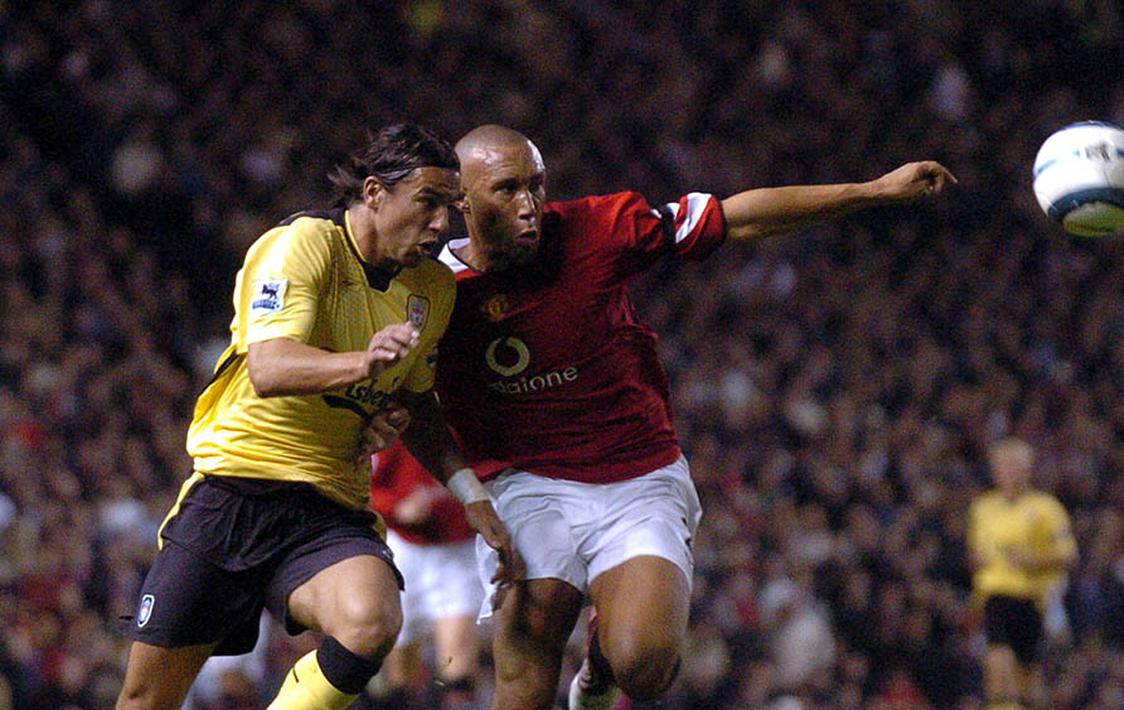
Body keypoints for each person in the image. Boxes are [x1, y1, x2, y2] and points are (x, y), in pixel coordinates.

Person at [403, 124, 955, 710]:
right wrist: (469, 494)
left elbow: (736, 216)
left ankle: (603, 664)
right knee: (527, 662)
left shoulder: (598, 228)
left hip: (636, 475)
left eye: (536, 186)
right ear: (460, 200)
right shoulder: (429, 289)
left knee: (645, 666)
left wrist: (873, 190)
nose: (529, 206)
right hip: (524, 482)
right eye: (507, 190)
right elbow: (409, 404)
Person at [115, 123, 518, 710]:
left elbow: (419, 402)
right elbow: (270, 368)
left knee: (372, 620)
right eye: (428, 203)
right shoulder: (305, 244)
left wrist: (470, 493)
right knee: (146, 697)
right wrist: (363, 363)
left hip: (328, 505)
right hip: (235, 490)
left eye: (449, 210)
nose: (440, 225)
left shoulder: (433, 287)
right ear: (376, 192)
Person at [370, 440, 484, 709]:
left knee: (458, 672)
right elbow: (361, 485)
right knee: (401, 674)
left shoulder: (468, 418)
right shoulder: (396, 425)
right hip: (404, 549)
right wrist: (395, 507)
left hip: (458, 550)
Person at [968, 437, 1077, 710]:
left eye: (1016, 465)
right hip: (996, 594)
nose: (1009, 471)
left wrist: (1031, 560)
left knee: (1028, 678)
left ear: (1028, 469)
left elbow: (1068, 553)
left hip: (1032, 597)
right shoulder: (983, 508)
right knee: (998, 662)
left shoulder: (1046, 508)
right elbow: (977, 553)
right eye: (1004, 465)